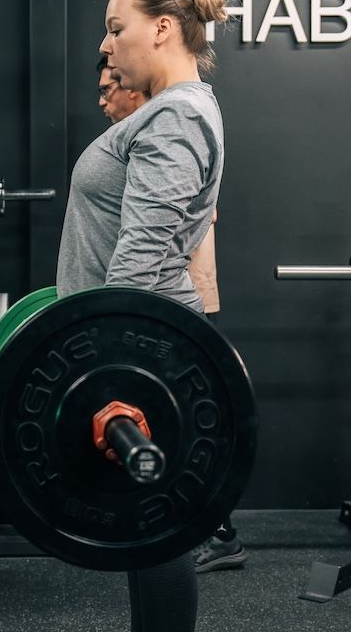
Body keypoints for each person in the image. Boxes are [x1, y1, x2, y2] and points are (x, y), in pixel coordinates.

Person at [56, 0, 228, 632]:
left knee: (160, 527)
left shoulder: (178, 116)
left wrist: (109, 356)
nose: (106, 42)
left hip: (141, 352)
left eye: (116, 25)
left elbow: (147, 255)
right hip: (130, 345)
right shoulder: (166, 113)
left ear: (162, 27)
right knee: (136, 520)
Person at [96, 54, 248, 574]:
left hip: (167, 312)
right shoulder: (145, 135)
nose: (103, 99)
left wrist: (109, 334)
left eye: (110, 87)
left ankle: (215, 535)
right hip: (152, 311)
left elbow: (150, 245)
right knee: (153, 467)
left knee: (171, 463)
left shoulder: (174, 123)